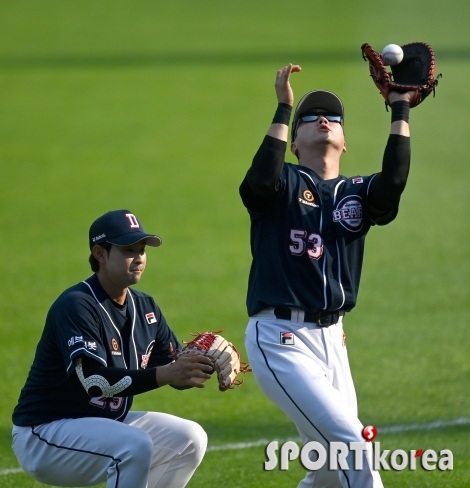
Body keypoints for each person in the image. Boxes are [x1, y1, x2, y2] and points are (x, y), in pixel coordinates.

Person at [240, 64, 414, 488]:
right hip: (279, 340)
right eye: (310, 117)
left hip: (332, 343)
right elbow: (258, 183)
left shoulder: (356, 192)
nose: (324, 120)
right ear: (294, 143)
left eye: (333, 117)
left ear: (344, 141)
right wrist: (283, 108)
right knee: (355, 448)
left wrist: (400, 109)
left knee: (330, 471)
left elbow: (392, 183)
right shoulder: (283, 185)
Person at [12, 209, 213, 488]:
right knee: (135, 444)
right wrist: (167, 374)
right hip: (45, 433)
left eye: (142, 250)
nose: (139, 257)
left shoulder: (146, 308)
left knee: (190, 438)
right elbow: (94, 382)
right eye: (128, 250)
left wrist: (203, 362)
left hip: (102, 424)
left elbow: (176, 371)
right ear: (100, 253)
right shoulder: (77, 305)